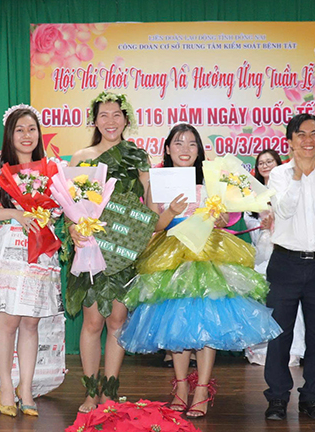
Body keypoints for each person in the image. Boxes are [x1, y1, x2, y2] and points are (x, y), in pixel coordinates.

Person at [119, 124, 281, 418]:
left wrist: (220, 218)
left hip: (207, 252)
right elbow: (153, 223)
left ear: (199, 150)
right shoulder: (158, 181)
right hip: (171, 254)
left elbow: (226, 217)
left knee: (209, 321)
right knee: (176, 323)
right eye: (178, 143)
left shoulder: (210, 179)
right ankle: (181, 387)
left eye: (192, 144)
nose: (185, 149)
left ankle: (203, 389)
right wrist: (170, 212)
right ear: (167, 149)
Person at [0, 106, 63, 417]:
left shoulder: (52, 169)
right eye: (20, 130)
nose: (27, 135)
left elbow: (63, 206)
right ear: (9, 135)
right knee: (9, 321)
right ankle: (5, 386)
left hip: (42, 249)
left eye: (32, 129)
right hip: (12, 249)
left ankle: (26, 387)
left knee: (31, 321)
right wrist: (16, 212)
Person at [67, 92, 151, 413]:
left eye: (117, 115)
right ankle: (91, 392)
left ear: (126, 119)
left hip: (125, 249)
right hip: (91, 248)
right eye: (104, 115)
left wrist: (159, 221)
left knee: (117, 320)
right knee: (92, 322)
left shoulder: (137, 157)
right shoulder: (82, 158)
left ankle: (110, 392)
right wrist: (73, 229)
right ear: (95, 120)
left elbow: (149, 202)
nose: (111, 121)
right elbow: (70, 207)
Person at [263, 114, 315, 421]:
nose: (308, 140)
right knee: (279, 335)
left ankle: (312, 398)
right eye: (301, 134)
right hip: (285, 263)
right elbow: (284, 209)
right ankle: (277, 398)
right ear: (290, 141)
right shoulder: (279, 175)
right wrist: (298, 176)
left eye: (314, 134)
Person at [244, 149, 306, 367]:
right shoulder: (251, 198)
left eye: (270, 161)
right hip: (262, 258)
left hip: (287, 255)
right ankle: (260, 350)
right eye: (261, 163)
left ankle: (292, 350)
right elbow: (252, 232)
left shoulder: (288, 191)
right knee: (262, 302)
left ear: (278, 164)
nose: (265, 166)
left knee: (290, 304)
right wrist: (264, 227)